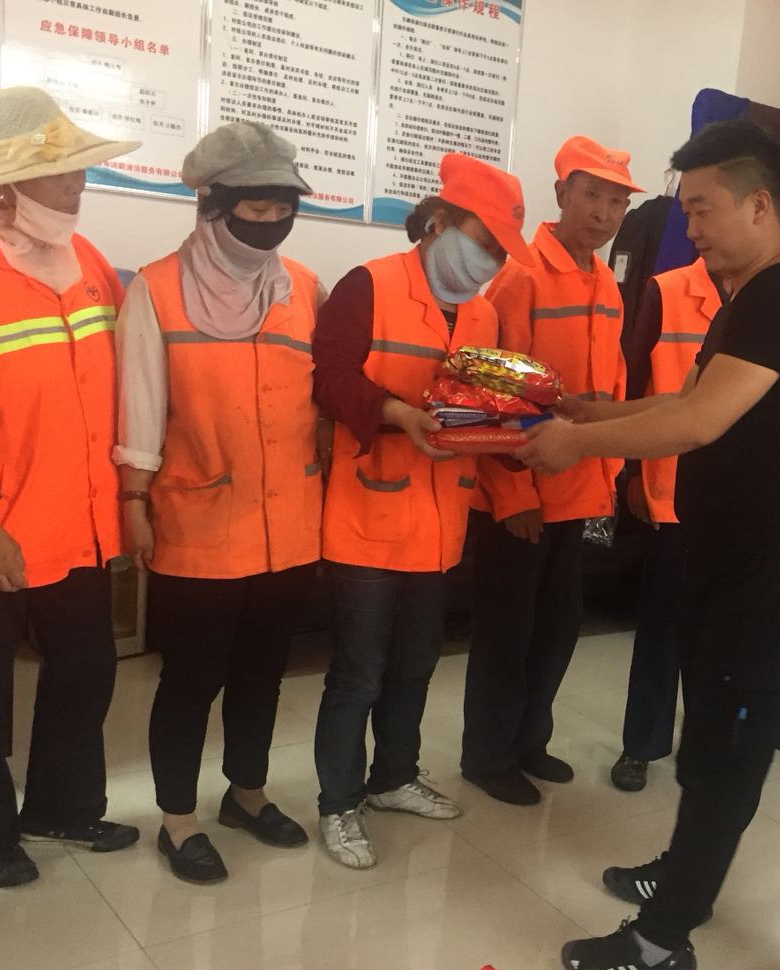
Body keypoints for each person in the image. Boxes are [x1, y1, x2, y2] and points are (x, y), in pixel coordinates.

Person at [517, 119, 780, 970]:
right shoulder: (748, 300)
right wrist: (597, 413)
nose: (688, 229)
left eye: (701, 209)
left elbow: (698, 424)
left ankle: (662, 943)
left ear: (759, 205)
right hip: (724, 562)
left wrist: (577, 447)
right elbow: (682, 398)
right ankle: (683, 872)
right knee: (707, 746)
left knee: (726, 753)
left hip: (762, 579)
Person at [0, 88, 140, 888]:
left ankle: (63, 807)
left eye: (80, 167)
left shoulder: (89, 264)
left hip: (80, 527)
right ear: (5, 184)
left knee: (86, 672)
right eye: (61, 170)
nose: (79, 182)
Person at [312, 154, 535, 866]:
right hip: (367, 516)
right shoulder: (369, 284)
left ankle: (393, 778)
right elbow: (330, 378)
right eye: (484, 242)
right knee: (359, 672)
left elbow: (484, 405)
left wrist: (525, 438)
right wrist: (399, 414)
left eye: (501, 253)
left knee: (415, 664)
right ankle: (339, 802)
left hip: (442, 520)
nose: (490, 262)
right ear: (438, 222)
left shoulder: (484, 313)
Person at [116, 123, 322, 884]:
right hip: (200, 522)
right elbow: (140, 406)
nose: (271, 224)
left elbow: (320, 400)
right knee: (191, 678)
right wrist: (134, 499)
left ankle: (247, 793)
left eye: (283, 210)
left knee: (263, 673)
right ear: (212, 204)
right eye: (255, 210)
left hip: (288, 525)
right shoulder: (157, 288)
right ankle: (177, 819)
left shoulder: (302, 287)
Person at [460, 135, 639, 806]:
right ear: (562, 193)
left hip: (579, 488)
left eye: (617, 201)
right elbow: (490, 396)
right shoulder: (520, 276)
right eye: (592, 195)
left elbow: (611, 385)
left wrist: (608, 473)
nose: (604, 212)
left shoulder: (605, 282)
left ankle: (529, 741)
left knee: (558, 626)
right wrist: (512, 495)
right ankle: (487, 755)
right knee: (507, 634)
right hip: (523, 494)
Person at [608, 257, 724, 793]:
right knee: (662, 627)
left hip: (740, 499)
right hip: (673, 487)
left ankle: (708, 745)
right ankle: (641, 745)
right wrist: (632, 469)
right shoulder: (667, 290)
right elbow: (632, 383)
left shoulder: (770, 299)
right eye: (696, 217)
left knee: (721, 634)